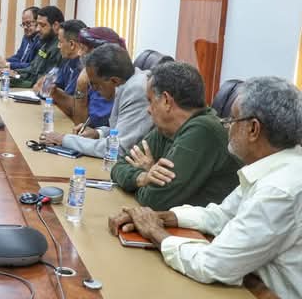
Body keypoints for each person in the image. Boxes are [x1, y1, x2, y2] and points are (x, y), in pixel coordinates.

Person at [109, 77, 302, 298]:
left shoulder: (279, 190)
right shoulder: (274, 167)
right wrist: (160, 217)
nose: (227, 127)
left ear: (253, 129)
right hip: (250, 283)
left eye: (232, 119)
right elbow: (221, 215)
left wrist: (154, 231)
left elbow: (213, 265)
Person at [110, 61, 241, 211]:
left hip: (205, 226)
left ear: (166, 101)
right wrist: (142, 177)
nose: (148, 110)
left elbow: (154, 200)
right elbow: (118, 166)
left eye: (150, 101)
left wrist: (141, 181)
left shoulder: (203, 130)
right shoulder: (166, 127)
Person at [44, 44, 153, 158]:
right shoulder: (127, 83)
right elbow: (121, 129)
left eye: (95, 84)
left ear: (114, 81)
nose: (93, 89)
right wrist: (98, 133)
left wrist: (64, 140)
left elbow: (118, 148)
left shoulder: (137, 91)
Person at [70, 27, 126, 126]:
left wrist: (81, 85)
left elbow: (85, 125)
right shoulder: (91, 76)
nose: (79, 53)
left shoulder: (110, 82)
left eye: (83, 48)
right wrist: (80, 86)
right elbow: (79, 126)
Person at [34, 19, 87, 114]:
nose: (58, 46)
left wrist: (54, 93)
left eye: (60, 42)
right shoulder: (68, 62)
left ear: (72, 44)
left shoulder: (83, 68)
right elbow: (44, 86)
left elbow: (75, 107)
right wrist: (48, 89)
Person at [9, 5, 65, 88]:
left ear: (56, 25)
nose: (38, 29)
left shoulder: (59, 47)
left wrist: (17, 78)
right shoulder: (46, 42)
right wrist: (16, 72)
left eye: (42, 25)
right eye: (37, 24)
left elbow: (45, 80)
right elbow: (33, 67)